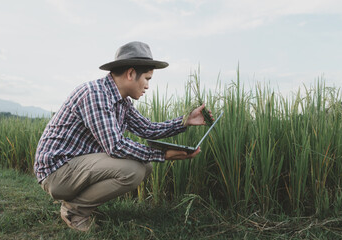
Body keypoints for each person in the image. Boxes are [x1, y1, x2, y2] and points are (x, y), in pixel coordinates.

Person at [34, 41, 210, 232]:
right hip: (57, 172)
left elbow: (148, 129)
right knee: (132, 170)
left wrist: (185, 121)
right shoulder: (96, 94)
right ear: (130, 73)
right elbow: (115, 146)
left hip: (74, 167)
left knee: (144, 166)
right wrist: (164, 154)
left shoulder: (121, 101)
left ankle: (79, 205)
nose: (148, 86)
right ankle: (75, 210)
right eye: (147, 78)